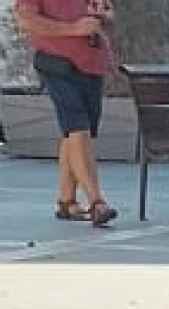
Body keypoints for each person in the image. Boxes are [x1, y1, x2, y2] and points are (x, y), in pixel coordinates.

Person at [15, 0, 119, 226]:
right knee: (77, 128)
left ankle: (67, 201)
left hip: (92, 64)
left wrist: (105, 17)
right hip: (58, 63)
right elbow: (26, 20)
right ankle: (97, 202)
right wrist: (74, 29)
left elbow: (104, 13)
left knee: (76, 133)